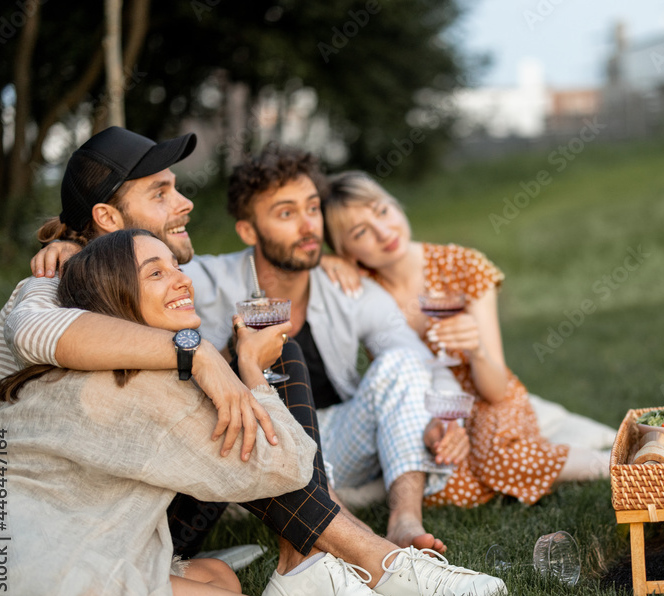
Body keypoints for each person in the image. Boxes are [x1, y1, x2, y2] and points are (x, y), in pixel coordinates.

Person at [0, 127, 505, 596]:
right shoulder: (53, 280)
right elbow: (33, 332)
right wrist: (200, 354)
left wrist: (315, 273)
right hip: (52, 528)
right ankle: (377, 561)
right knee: (233, 396)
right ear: (108, 218)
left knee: (276, 354)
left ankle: (306, 562)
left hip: (138, 510)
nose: (184, 203)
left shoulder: (139, 276)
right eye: (161, 193)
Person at [0, 229, 318, 596]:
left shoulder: (37, 374)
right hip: (53, 587)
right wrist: (252, 369)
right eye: (155, 272)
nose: (182, 280)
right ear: (113, 294)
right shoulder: (157, 388)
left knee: (218, 578)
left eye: (177, 268)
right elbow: (287, 466)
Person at [183, 145, 470, 554]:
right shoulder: (206, 281)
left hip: (336, 439)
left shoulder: (348, 289)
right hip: (255, 444)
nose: (308, 226)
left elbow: (417, 358)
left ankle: (405, 521)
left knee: (402, 361)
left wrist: (445, 417)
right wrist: (66, 244)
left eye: (313, 208)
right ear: (248, 231)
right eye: (286, 213)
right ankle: (339, 519)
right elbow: (126, 260)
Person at [321, 171, 612, 508]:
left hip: (486, 395)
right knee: (446, 489)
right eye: (360, 232)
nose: (384, 232)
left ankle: (608, 465)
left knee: (500, 461)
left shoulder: (463, 267)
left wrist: (474, 349)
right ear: (345, 250)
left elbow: (496, 388)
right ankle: (521, 464)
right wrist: (327, 262)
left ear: (395, 206)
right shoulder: (359, 287)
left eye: (383, 211)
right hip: (428, 410)